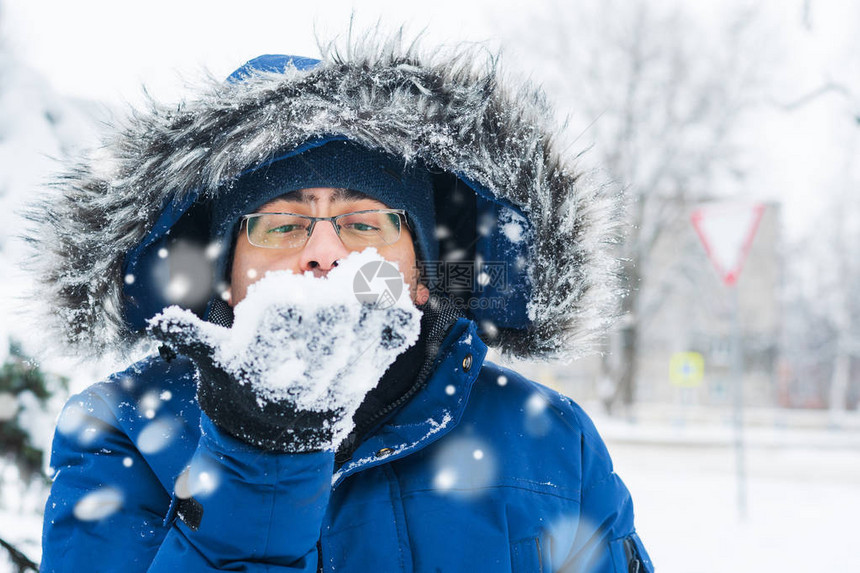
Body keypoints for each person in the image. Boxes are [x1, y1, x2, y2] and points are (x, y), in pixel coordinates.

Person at [31, 33, 653, 572]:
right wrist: (258, 459)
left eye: (364, 224)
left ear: (420, 275)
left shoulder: (549, 438)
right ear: (226, 275)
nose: (325, 252)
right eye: (280, 225)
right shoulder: (124, 432)